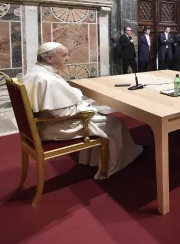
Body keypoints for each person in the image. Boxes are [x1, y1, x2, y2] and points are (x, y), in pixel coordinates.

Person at [23, 42, 143, 179]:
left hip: (45, 123)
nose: (68, 58)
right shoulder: (47, 79)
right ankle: (115, 164)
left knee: (101, 117)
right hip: (58, 126)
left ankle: (93, 160)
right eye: (64, 55)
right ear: (49, 59)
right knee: (116, 123)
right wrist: (88, 108)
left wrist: (74, 97)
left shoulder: (36, 72)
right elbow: (61, 113)